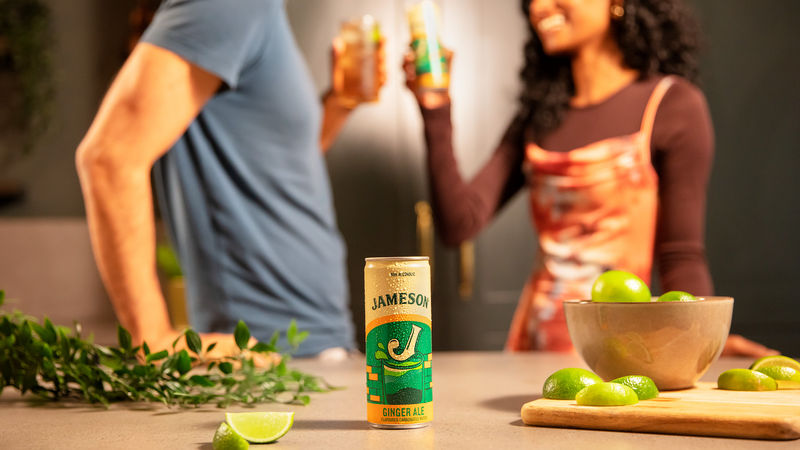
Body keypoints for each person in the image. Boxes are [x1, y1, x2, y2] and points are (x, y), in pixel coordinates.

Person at [404, 0, 776, 356]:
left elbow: (681, 256)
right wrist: (435, 106)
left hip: (617, 348)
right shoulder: (539, 116)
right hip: (530, 349)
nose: (538, 6)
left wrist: (702, 341)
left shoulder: (672, 105)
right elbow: (459, 223)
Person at [76, 0, 384, 358]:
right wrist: (152, 339)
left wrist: (339, 104)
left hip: (315, 336)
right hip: (266, 352)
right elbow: (108, 159)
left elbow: (280, 164)